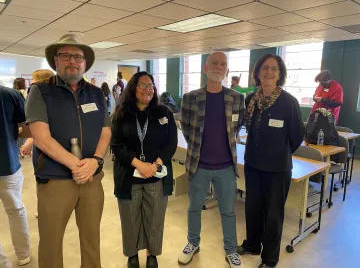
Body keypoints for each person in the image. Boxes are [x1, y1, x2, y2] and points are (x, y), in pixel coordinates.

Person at [25, 34, 112, 268]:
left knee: (92, 239)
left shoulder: (95, 93)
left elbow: (106, 131)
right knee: (51, 243)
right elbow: (41, 137)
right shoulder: (40, 92)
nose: (72, 61)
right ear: (56, 61)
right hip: (55, 180)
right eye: (66, 55)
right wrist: (77, 165)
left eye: (78, 56)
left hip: (92, 178)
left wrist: (95, 161)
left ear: (85, 63)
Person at [178, 52, 245, 268]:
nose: (218, 67)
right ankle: (192, 243)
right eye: (214, 63)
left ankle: (231, 250)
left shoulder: (236, 98)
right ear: (205, 68)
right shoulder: (190, 97)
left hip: (226, 167)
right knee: (194, 208)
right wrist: (200, 150)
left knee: (228, 211)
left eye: (222, 64)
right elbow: (187, 130)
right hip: (199, 166)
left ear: (227, 70)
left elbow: (236, 127)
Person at [237, 54, 305, 268]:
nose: (268, 72)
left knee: (274, 215)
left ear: (280, 74)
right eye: (264, 68)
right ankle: (252, 244)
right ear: (257, 72)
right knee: (253, 208)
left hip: (277, 168)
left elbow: (297, 136)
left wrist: (279, 151)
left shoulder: (289, 102)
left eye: (273, 69)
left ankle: (270, 258)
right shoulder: (251, 100)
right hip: (253, 164)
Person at [111, 71, 177, 268]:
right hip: (129, 176)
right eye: (142, 85)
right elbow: (116, 145)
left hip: (155, 176)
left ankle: (152, 254)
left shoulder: (164, 112)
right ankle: (132, 255)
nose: (148, 89)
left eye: (151, 85)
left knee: (155, 218)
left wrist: (155, 165)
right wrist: (139, 165)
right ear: (133, 88)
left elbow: (170, 144)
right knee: (130, 219)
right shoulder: (121, 114)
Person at [0, 85, 32, 267]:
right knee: (15, 211)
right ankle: (23, 254)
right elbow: (28, 129)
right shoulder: (10, 95)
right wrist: (10, 131)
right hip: (8, 163)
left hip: (9, 164)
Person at [20, 69, 56, 219]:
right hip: (43, 149)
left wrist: (28, 143)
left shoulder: (48, 100)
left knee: (47, 182)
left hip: (49, 150)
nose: (32, 84)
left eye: (34, 81)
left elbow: (42, 129)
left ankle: (47, 209)